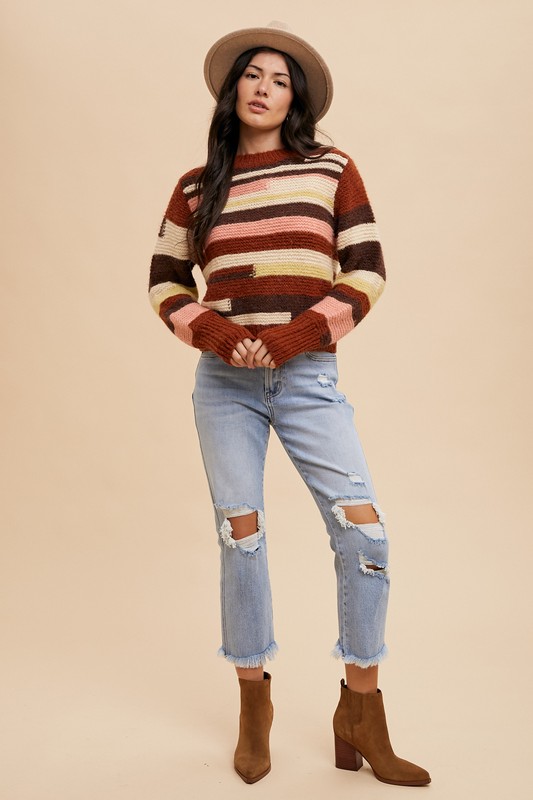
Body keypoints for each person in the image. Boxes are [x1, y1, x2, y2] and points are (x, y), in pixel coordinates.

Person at [148, 21, 430, 787]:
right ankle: (253, 705)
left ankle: (359, 712)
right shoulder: (196, 186)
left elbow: (366, 269)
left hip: (307, 378)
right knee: (240, 538)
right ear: (231, 89)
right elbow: (164, 280)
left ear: (294, 98)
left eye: (279, 79)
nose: (264, 88)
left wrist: (292, 336)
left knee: (364, 532)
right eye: (253, 75)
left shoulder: (330, 169)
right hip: (224, 386)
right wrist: (213, 333)